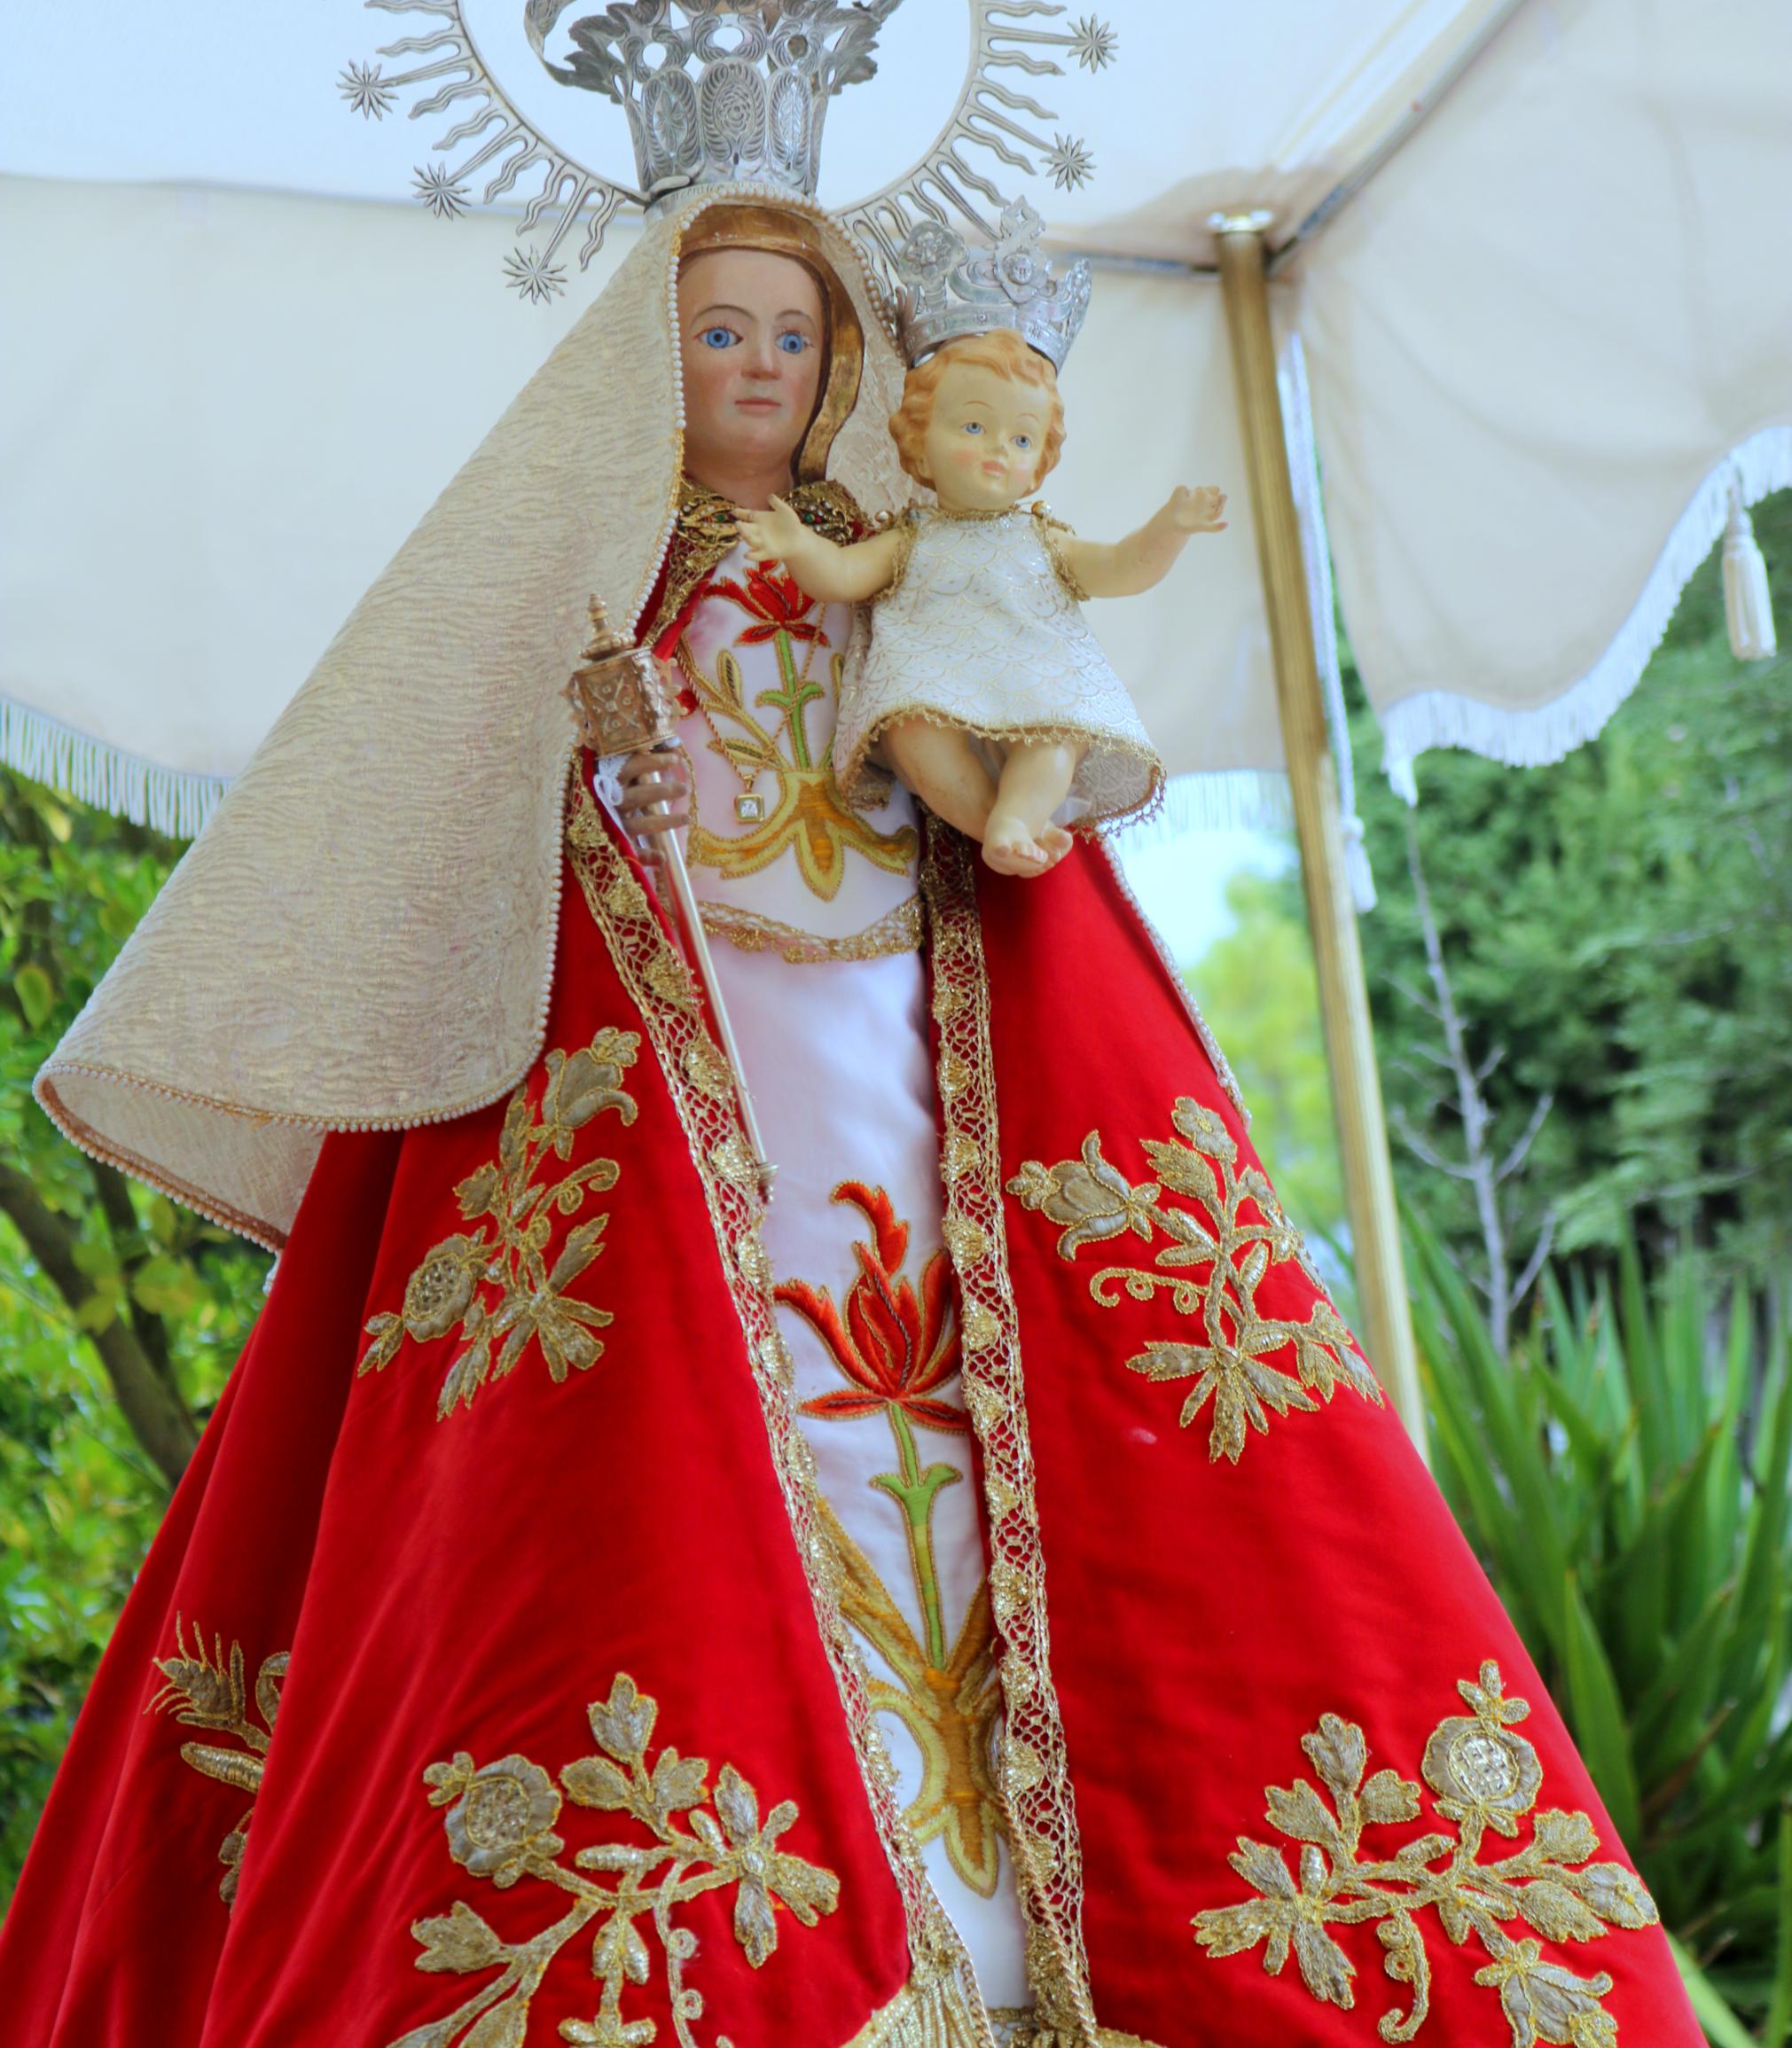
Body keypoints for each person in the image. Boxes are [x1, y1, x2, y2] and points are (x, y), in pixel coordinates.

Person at [6, 176, 1700, 2048]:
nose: (752, 364)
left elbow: (981, 717)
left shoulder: (907, 553)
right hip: (683, 1064)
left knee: (995, 1419)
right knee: (701, 1433)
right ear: (652, 358)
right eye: (716, 330)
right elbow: (507, 821)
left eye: (787, 334)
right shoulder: (596, 571)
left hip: (920, 1059)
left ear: (838, 368)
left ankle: (1040, 1912)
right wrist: (601, 782)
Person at [739, 317, 1227, 877]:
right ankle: (993, 824)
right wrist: (799, 545)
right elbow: (843, 575)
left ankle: (1018, 818)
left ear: (1037, 464)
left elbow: (1122, 568)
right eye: (973, 426)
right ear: (920, 444)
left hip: (1034, 687)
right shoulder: (910, 539)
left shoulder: (1044, 541)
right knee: (915, 738)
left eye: (1021, 439)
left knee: (1057, 740)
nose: (999, 448)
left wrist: (1171, 529)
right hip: (933, 689)